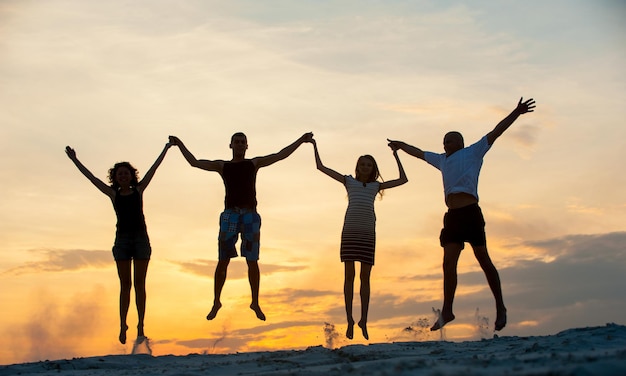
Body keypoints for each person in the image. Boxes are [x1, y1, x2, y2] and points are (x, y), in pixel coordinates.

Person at [388, 97, 536, 332]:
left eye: (451, 140)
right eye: (444, 141)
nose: (447, 143)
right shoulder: (441, 160)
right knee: (448, 263)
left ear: (461, 142)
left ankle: (501, 307)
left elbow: (496, 131)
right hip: (452, 217)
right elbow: (418, 153)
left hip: (471, 213)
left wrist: (516, 112)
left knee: (484, 260)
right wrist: (399, 144)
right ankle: (447, 310)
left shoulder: (473, 152)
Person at [169, 131, 314, 321]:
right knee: (223, 259)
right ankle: (216, 302)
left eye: (242, 142)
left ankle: (255, 301)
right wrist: (179, 144)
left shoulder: (253, 164)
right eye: (236, 142)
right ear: (231, 145)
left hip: (250, 215)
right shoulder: (223, 166)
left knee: (252, 260)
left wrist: (301, 141)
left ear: (247, 146)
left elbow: (280, 155)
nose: (239, 145)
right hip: (230, 214)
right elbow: (195, 162)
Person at [65, 142, 173, 344]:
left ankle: (141, 324)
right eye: (119, 174)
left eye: (126, 173)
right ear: (115, 178)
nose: (123, 176)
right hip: (122, 241)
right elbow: (91, 178)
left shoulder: (139, 191)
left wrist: (166, 149)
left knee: (140, 284)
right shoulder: (113, 194)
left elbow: (154, 169)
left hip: (141, 240)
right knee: (125, 285)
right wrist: (75, 160)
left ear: (132, 176)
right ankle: (123, 324)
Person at [313, 140, 408, 340]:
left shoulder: (376, 186)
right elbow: (321, 167)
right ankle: (349, 319)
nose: (365, 167)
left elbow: (403, 179)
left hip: (367, 233)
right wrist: (314, 145)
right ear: (357, 167)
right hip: (350, 232)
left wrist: (396, 154)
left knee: (365, 277)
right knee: (349, 276)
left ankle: (363, 320)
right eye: (362, 164)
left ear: (373, 168)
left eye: (369, 164)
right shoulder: (349, 181)